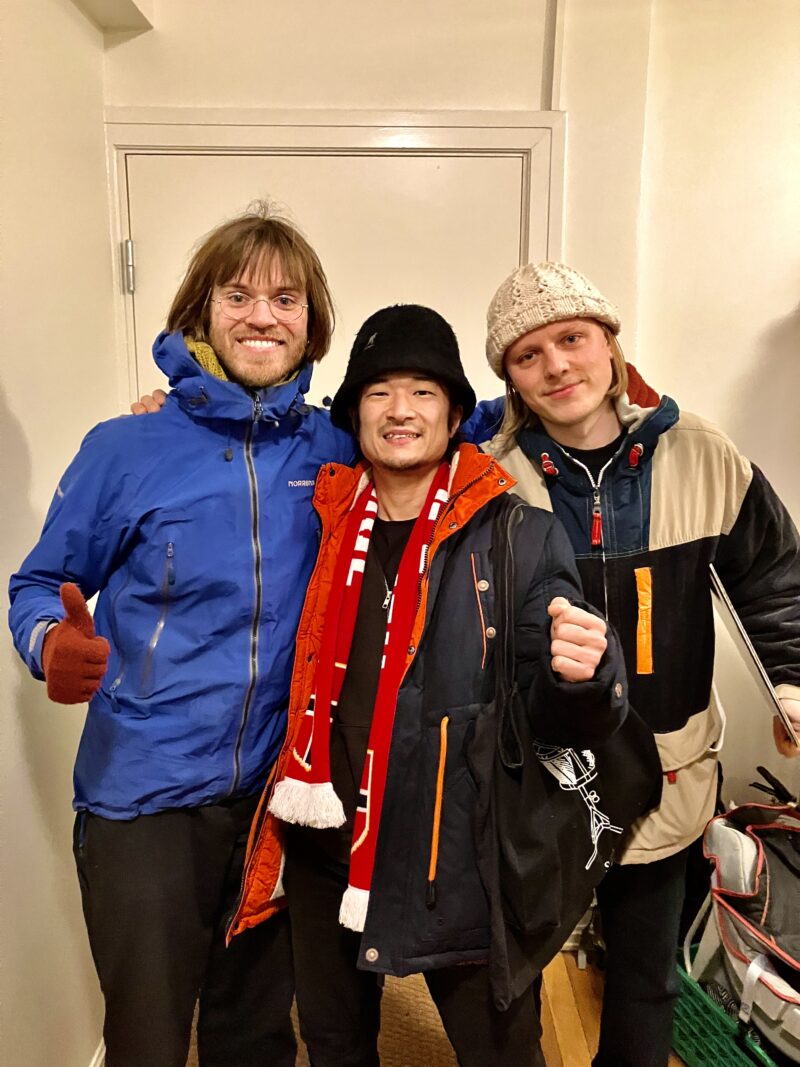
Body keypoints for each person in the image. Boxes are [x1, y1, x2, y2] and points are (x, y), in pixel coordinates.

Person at [225, 303, 655, 1066]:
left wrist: (585, 678)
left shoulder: (517, 532)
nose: (400, 410)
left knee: (500, 1050)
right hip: (324, 842)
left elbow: (556, 718)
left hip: (461, 857)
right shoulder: (319, 519)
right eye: (379, 391)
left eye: (423, 391)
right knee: (334, 1043)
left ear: (455, 414)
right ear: (354, 414)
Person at [8, 206, 356, 1067]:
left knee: (256, 1032)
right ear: (202, 310)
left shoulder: (334, 444)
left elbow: (440, 424)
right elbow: (35, 587)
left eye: (285, 298)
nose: (262, 316)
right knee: (150, 1036)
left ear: (312, 321)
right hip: (145, 799)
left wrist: (566, 391)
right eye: (238, 296)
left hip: (276, 797)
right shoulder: (126, 446)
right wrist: (51, 645)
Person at [481, 261, 800, 1066]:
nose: (557, 366)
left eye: (572, 338)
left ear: (610, 341)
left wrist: (791, 685)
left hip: (668, 771)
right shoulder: (489, 476)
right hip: (540, 781)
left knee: (644, 980)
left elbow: (774, 581)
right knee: (508, 974)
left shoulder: (703, 453)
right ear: (511, 378)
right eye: (528, 354)